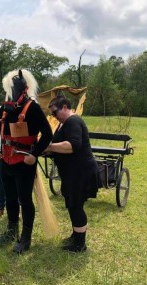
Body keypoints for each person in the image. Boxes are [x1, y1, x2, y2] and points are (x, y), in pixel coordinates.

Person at [0, 69, 53, 254]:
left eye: (12, 89)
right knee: (10, 198)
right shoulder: (4, 109)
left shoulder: (33, 108)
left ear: (23, 89)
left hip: (24, 163)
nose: (9, 94)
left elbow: (48, 134)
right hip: (6, 162)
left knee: (25, 199)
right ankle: (11, 230)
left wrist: (35, 155)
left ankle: (25, 237)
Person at [44, 95, 98, 253]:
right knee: (73, 205)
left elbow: (73, 145)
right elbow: (59, 146)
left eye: (55, 112)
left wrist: (50, 147)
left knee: (76, 206)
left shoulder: (73, 121)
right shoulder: (64, 123)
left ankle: (80, 245)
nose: (53, 116)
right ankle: (76, 235)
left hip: (80, 173)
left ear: (65, 107)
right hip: (73, 173)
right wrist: (48, 150)